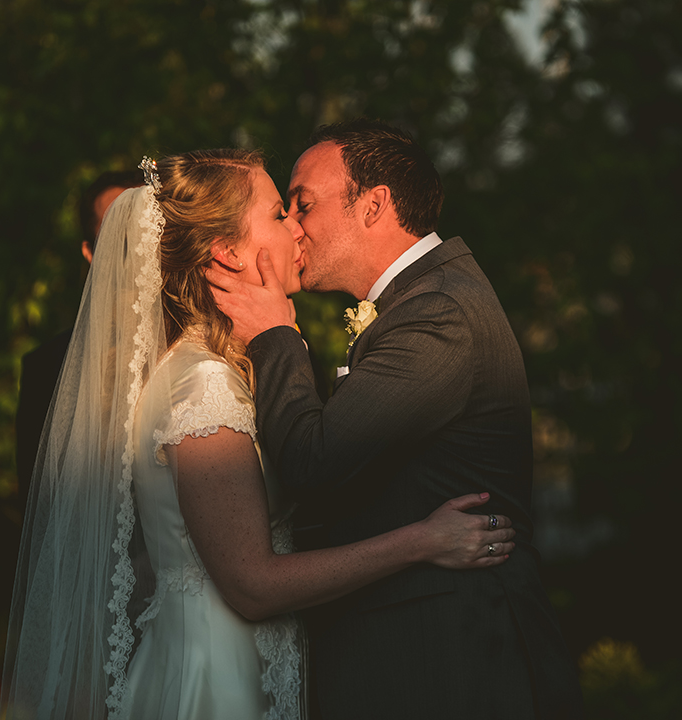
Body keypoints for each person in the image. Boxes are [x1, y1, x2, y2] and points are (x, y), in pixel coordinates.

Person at [0, 149, 515, 720]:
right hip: (214, 683)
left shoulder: (222, 372)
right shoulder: (204, 387)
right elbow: (252, 584)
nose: (296, 229)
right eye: (277, 214)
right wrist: (422, 540)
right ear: (227, 252)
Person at [208, 120, 584, 719]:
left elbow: (315, 464)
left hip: (453, 659)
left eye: (302, 205)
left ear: (374, 205)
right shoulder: (421, 302)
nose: (294, 228)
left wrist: (275, 334)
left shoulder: (439, 314)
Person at [15, 169, 142, 497]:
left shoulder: (199, 340)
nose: (130, 238)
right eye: (115, 227)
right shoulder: (46, 367)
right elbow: (38, 504)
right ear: (89, 251)